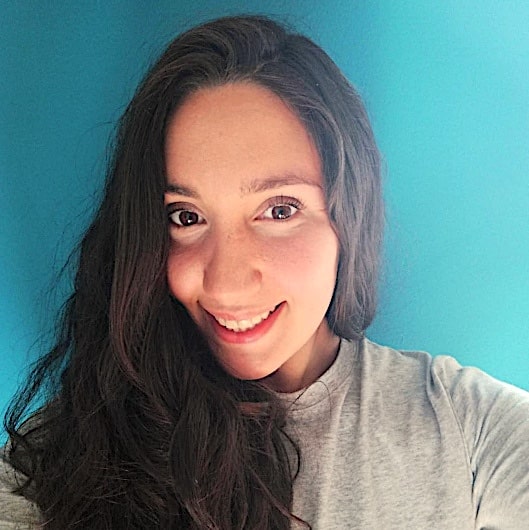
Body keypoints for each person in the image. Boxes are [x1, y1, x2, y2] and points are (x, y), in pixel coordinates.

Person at [1, 14, 528, 529]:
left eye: (279, 210)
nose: (226, 283)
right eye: (186, 217)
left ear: (349, 217)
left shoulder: (467, 428)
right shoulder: (62, 459)